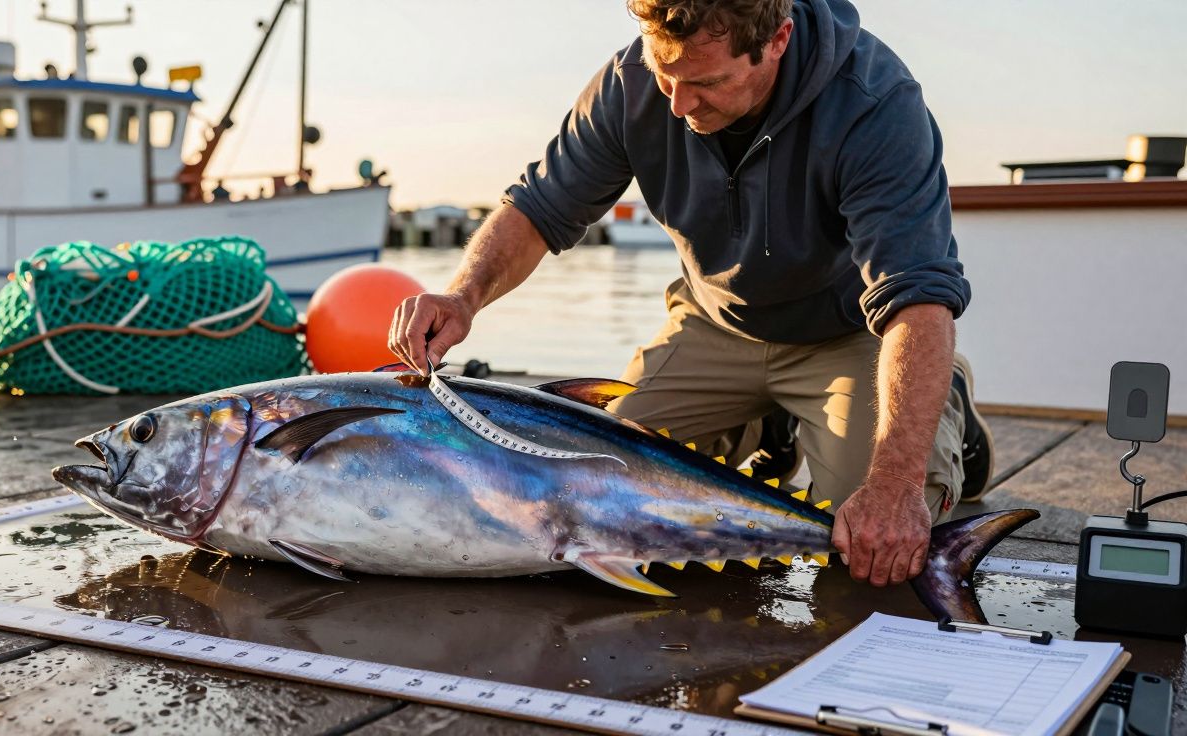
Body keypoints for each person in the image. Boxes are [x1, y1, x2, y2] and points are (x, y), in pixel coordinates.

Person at [389, 0, 995, 588]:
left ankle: (944, 401)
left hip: (847, 333)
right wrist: (462, 296)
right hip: (714, 322)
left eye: (707, 82)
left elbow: (917, 300)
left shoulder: (875, 102)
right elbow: (538, 208)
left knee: (865, 538)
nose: (678, 105)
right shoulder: (630, 84)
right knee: (594, 495)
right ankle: (768, 425)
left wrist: (896, 481)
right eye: (666, 74)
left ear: (777, 40)